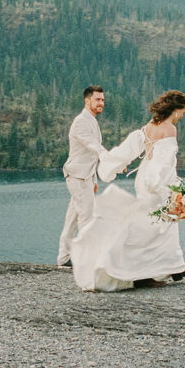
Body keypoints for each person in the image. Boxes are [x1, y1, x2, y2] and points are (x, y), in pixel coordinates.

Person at [69, 90, 185, 291]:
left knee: (165, 223)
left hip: (145, 178)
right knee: (153, 226)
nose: (183, 114)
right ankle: (142, 275)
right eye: (183, 110)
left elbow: (129, 149)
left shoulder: (150, 126)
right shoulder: (169, 129)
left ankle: (176, 267)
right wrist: (170, 188)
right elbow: (163, 163)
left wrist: (113, 165)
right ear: (176, 109)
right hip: (156, 181)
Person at [56, 85, 108, 267]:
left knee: (72, 219)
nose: (102, 102)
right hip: (77, 176)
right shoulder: (81, 121)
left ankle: (63, 258)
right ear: (87, 101)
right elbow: (92, 145)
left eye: (102, 99)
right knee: (87, 218)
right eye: (98, 99)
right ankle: (89, 262)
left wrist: (94, 180)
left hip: (84, 177)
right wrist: (110, 159)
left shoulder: (91, 120)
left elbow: (91, 154)